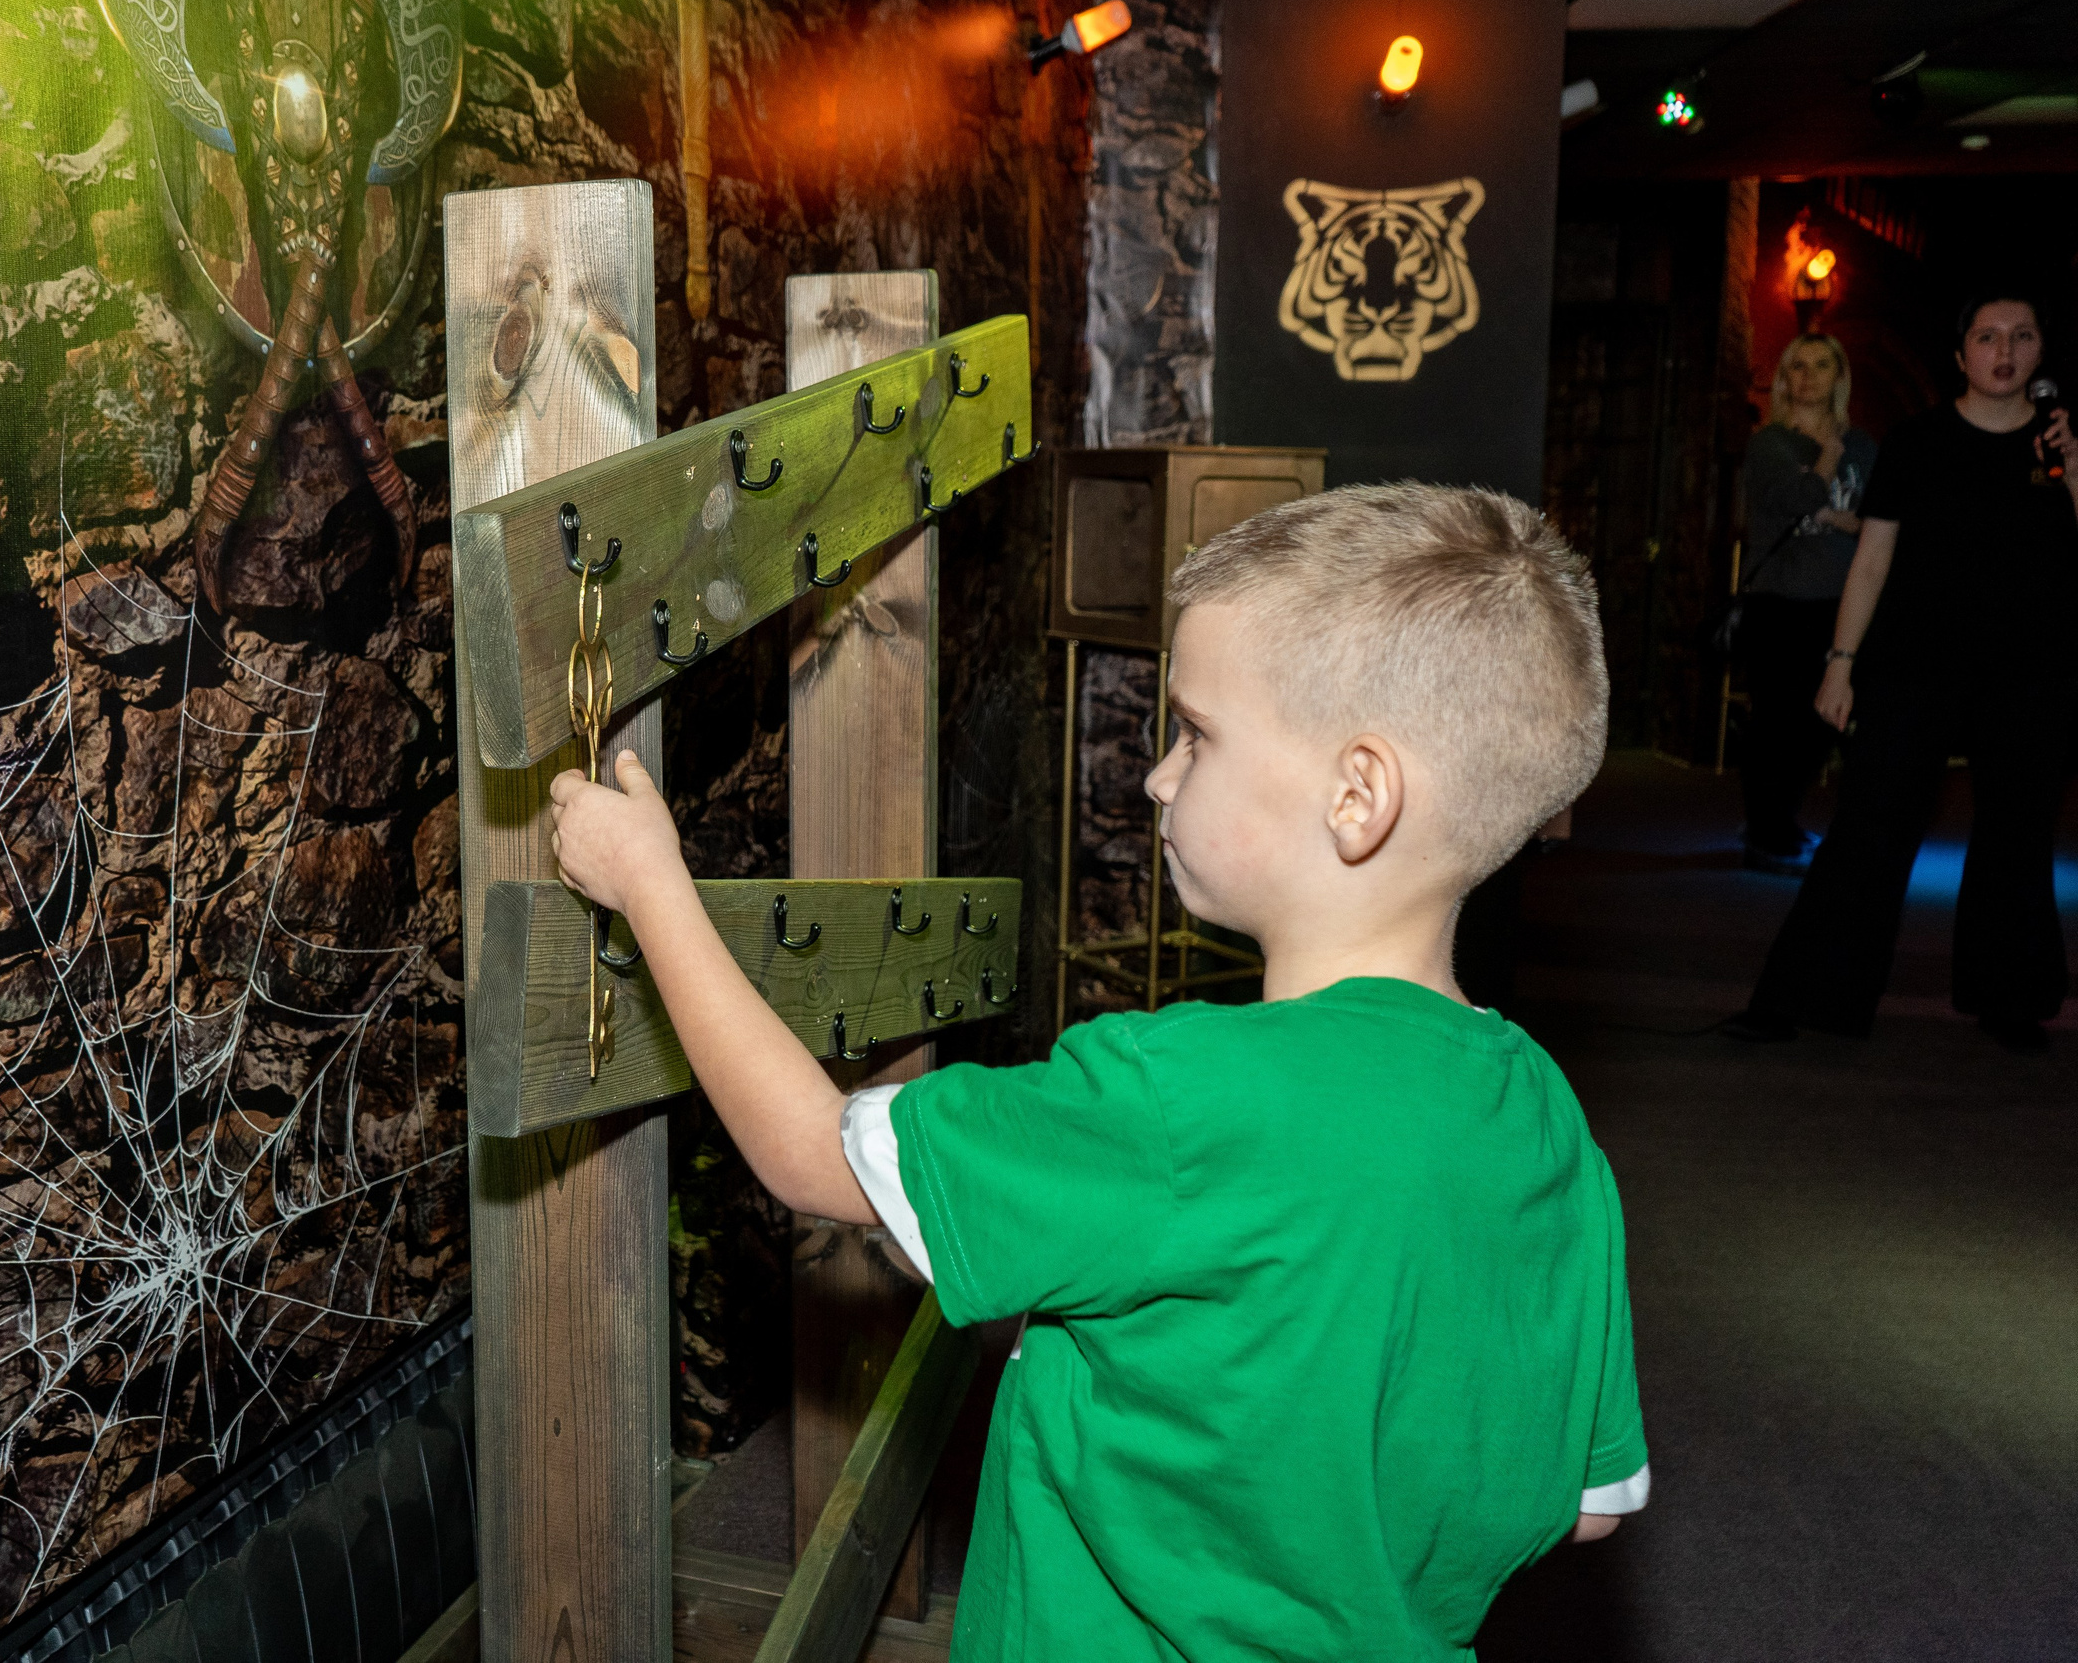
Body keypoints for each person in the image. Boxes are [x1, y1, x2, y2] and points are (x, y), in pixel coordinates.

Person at [550, 485, 1646, 1660]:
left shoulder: (1175, 1098)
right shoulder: (1544, 1121)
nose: (1158, 777)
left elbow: (812, 1156)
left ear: (1357, 796)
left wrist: (652, 887)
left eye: (1194, 732)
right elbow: (1587, 1505)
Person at [1728, 292, 2078, 1053]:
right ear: (1962, 356)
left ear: (2040, 354)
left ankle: (2009, 998)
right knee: (1872, 824)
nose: (2004, 350)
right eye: (1987, 336)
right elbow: (1873, 560)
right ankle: (1806, 993)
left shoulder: (2061, 446)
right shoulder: (1917, 442)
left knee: (2017, 830)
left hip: (2027, 670)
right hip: (1915, 663)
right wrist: (1842, 662)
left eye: (2022, 336)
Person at [1735, 333, 1875, 874]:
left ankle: (1778, 819)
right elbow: (1796, 501)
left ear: (1839, 377)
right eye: (1798, 366)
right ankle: (1767, 834)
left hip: (1840, 603)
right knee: (1776, 721)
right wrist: (1825, 463)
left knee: (1823, 722)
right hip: (1779, 600)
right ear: (1784, 379)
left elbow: (1879, 520)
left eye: (1821, 366)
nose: (1809, 376)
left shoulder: (1862, 446)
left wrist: (1837, 517)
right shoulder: (1770, 444)